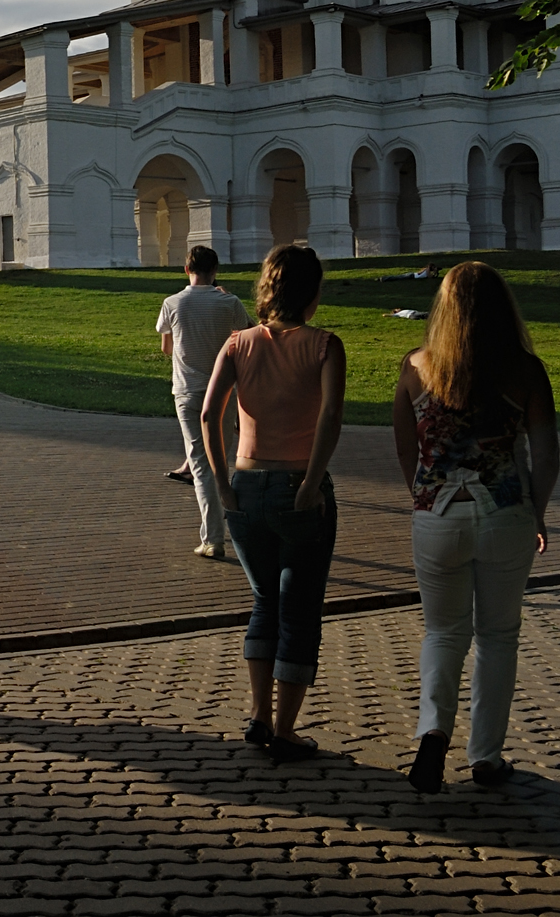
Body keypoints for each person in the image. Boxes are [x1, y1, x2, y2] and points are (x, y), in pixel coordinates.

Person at [393, 262, 560, 792]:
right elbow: (548, 453)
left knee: (442, 631)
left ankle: (432, 731)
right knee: (497, 635)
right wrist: (538, 509)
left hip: (435, 515)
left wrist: (421, 495)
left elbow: (406, 449)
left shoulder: (415, 367)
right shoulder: (525, 370)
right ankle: (486, 755)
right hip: (505, 512)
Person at [200, 244, 345, 763]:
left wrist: (222, 486)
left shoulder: (237, 344)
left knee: (265, 600)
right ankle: (285, 728)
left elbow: (207, 415)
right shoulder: (325, 345)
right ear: (311, 290)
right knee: (300, 609)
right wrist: (310, 484)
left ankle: (259, 714)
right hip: (298, 487)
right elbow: (330, 418)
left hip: (246, 486)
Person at [156, 245, 250, 559]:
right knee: (220, 459)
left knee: (199, 462)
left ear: (187, 270)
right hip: (222, 390)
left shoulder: (172, 303)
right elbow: (248, 336)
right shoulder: (230, 303)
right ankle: (229, 524)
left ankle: (213, 538)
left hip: (187, 391)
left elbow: (167, 349)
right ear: (215, 271)